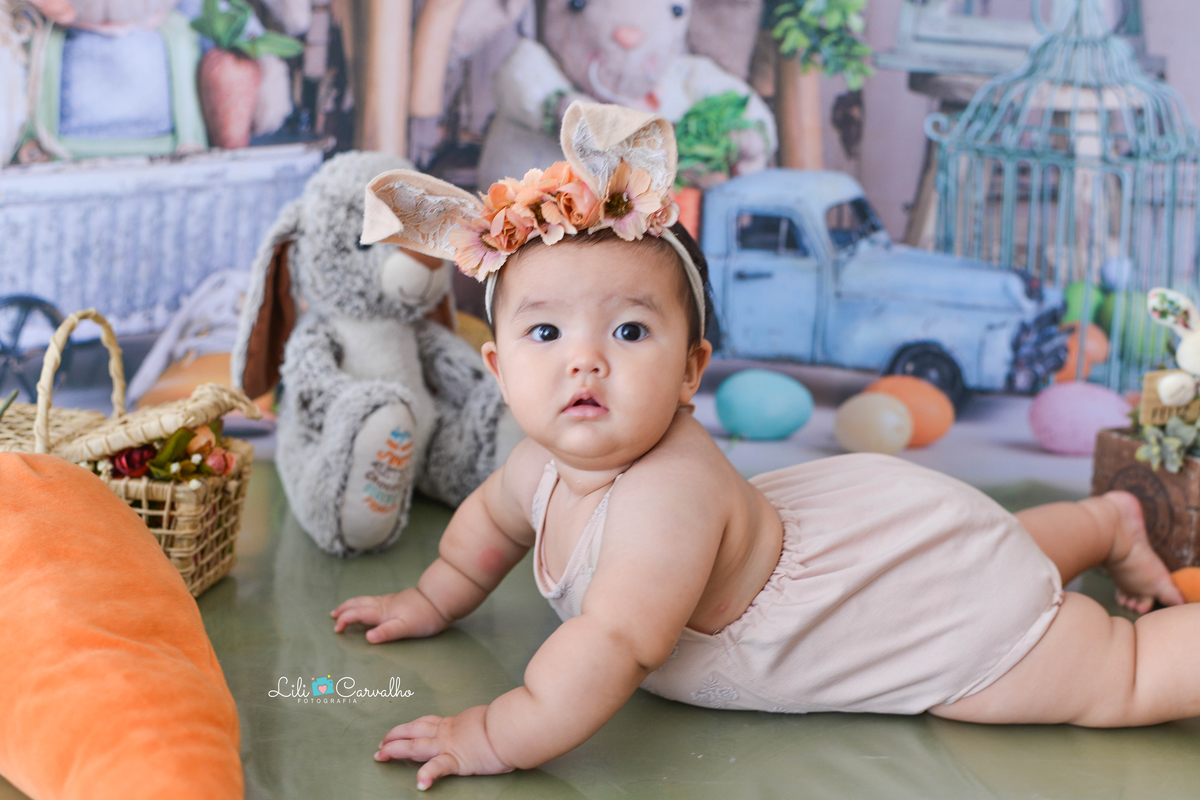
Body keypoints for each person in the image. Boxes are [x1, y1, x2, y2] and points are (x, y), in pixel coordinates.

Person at [331, 102, 1192, 792]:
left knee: (1105, 673)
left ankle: (1120, 583)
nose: (584, 360)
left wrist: (494, 731)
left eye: (630, 331)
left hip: (883, 614)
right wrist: (434, 597)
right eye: (546, 332)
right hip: (883, 547)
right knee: (985, 552)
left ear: (690, 370)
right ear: (498, 367)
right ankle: (1108, 521)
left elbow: (610, 647)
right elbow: (490, 526)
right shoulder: (538, 466)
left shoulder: (666, 496)